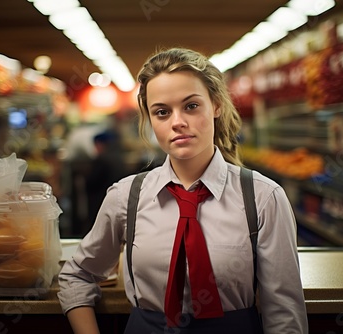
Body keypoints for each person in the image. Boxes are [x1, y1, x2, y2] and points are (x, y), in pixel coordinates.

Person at [58, 47, 308, 334]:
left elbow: (284, 314)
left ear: (216, 105)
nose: (177, 122)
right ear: (150, 119)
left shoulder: (262, 198)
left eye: (191, 106)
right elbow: (77, 274)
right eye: (162, 112)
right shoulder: (125, 197)